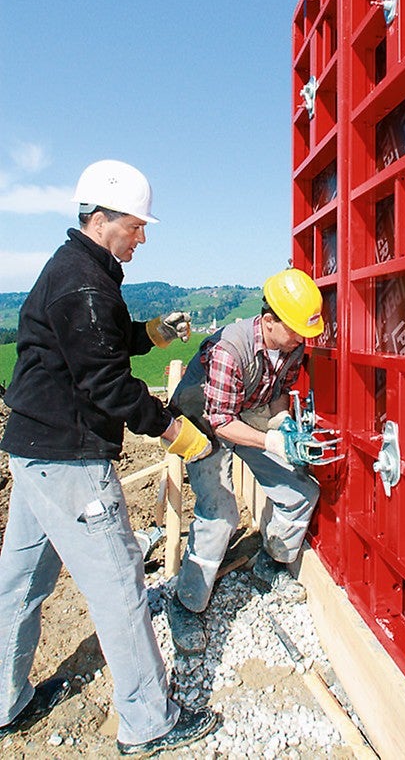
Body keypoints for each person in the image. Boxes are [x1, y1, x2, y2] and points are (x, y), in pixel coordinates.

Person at [0, 159, 217, 755]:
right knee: (122, 587)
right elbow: (110, 386)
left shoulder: (82, 271)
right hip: (69, 460)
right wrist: (175, 431)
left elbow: (96, 339)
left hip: (33, 451)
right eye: (137, 225)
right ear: (102, 219)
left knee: (20, 582)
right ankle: (150, 722)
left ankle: (4, 700)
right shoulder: (85, 283)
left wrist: (152, 333)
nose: (142, 236)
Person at [166, 267, 323, 655]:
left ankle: (270, 561)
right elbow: (220, 422)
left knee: (301, 491)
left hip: (248, 410)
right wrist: (270, 440)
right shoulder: (229, 350)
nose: (301, 340)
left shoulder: (292, 343)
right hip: (203, 421)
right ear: (269, 321)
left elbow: (280, 391)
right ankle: (187, 603)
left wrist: (282, 422)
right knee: (220, 513)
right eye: (294, 331)